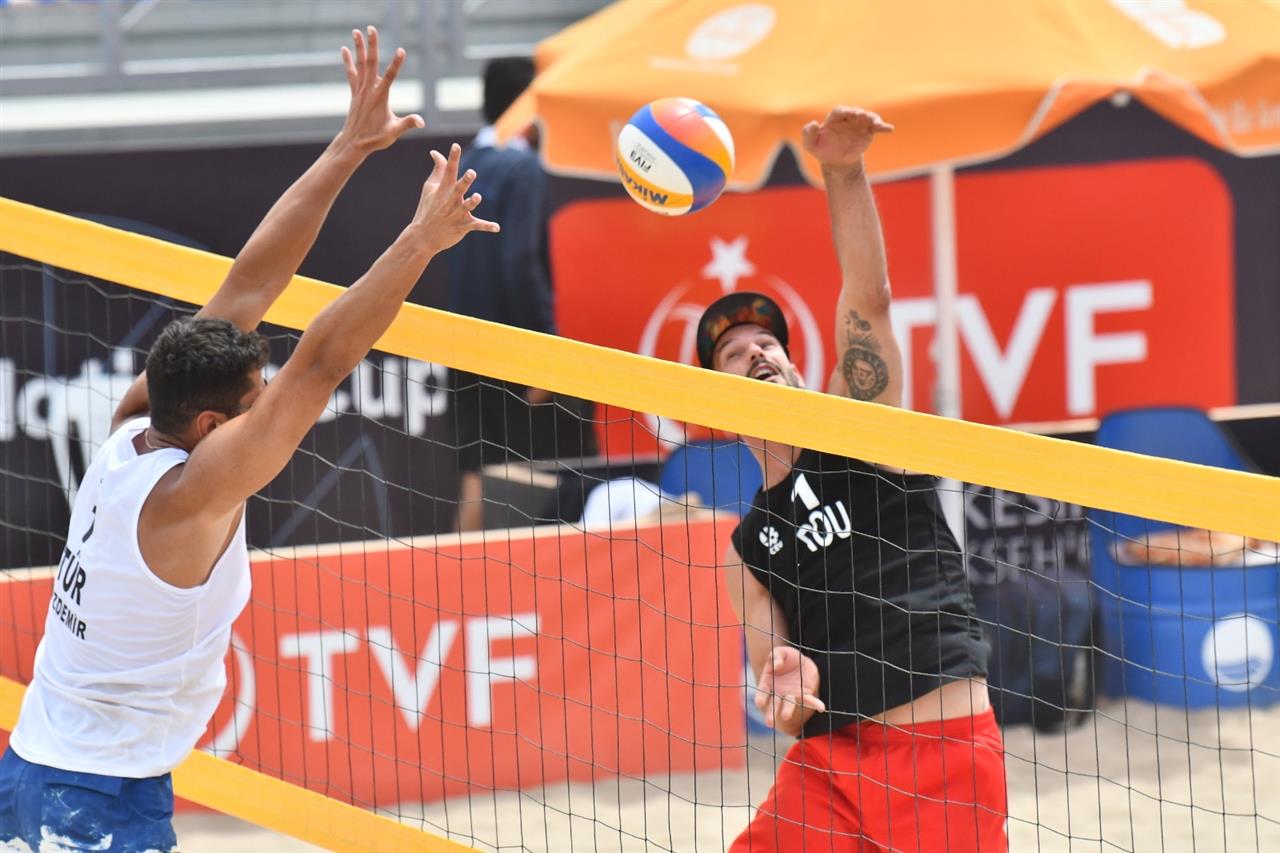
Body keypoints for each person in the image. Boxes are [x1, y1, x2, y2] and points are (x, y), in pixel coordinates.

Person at [0, 27, 498, 851]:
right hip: (92, 800)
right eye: (254, 401)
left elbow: (251, 282)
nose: (269, 406)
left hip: (34, 765)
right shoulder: (190, 495)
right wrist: (420, 240)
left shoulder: (133, 425)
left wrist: (348, 147)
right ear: (212, 426)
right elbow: (322, 362)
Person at [701, 107, 1007, 852]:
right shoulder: (747, 550)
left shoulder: (857, 428)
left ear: (797, 365)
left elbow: (870, 299)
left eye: (769, 342)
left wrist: (843, 171)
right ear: (713, 399)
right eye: (736, 354)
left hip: (938, 749)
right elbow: (781, 695)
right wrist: (785, 678)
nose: (759, 352)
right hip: (828, 767)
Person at [445, 56, 596, 532]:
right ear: (529, 108)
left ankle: (457, 584)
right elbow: (520, 262)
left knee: (476, 481)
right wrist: (543, 356)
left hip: (462, 351)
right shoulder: (523, 169)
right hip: (514, 359)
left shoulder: (461, 167)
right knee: (543, 491)